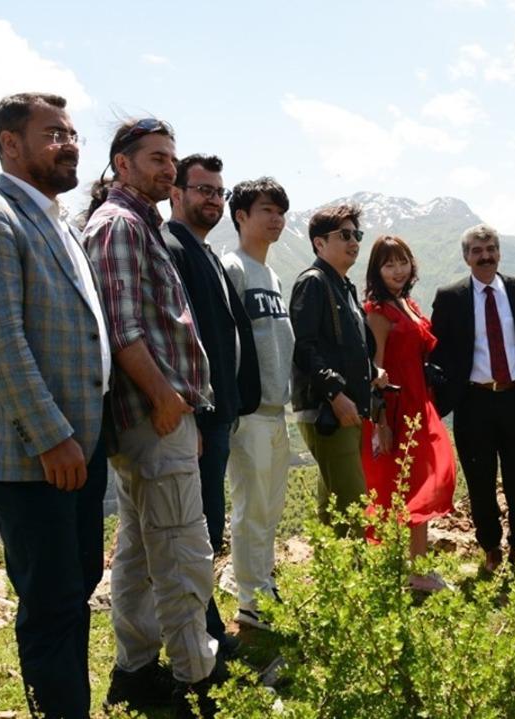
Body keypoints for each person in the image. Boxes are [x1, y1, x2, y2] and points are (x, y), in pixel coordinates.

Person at [0, 92, 110, 719]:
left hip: (82, 445)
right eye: (52, 134)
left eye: (72, 134)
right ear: (9, 144)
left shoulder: (61, 222)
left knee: (76, 589)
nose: (69, 144)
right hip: (33, 451)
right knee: (49, 601)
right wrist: (49, 436)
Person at [84, 118, 224, 716]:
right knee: (183, 548)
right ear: (122, 164)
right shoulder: (119, 226)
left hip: (158, 417)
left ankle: (134, 672)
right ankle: (200, 676)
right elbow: (123, 328)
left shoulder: (140, 224)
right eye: (156, 158)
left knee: (142, 552)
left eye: (172, 158)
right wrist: (169, 401)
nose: (168, 168)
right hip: (154, 414)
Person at [164, 154, 260, 654]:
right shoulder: (172, 246)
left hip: (220, 413)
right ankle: (202, 635)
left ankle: (204, 626)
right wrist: (196, 415)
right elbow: (178, 339)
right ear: (175, 193)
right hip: (200, 417)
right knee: (196, 526)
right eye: (202, 189)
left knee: (208, 521)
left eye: (218, 192)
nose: (213, 199)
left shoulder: (203, 251)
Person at [431, 224, 515, 573]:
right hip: (473, 402)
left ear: (499, 252)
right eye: (477, 251)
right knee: (480, 479)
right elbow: (437, 352)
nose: (486, 255)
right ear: (466, 257)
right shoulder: (451, 297)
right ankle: (490, 547)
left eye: (490, 248)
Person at [361, 235, 457, 591]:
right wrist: (381, 423)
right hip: (397, 410)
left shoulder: (407, 304)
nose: (397, 270)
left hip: (421, 404)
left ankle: (418, 568)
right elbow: (377, 370)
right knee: (390, 489)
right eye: (389, 264)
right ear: (377, 270)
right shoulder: (378, 313)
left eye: (402, 261)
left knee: (424, 483)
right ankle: (395, 570)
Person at [222, 178, 295, 628]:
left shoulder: (271, 275)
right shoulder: (233, 268)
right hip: (247, 412)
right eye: (266, 209)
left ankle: (263, 585)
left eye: (280, 211)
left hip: (275, 409)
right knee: (250, 506)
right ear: (241, 216)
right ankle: (249, 601)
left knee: (270, 506)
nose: (275, 219)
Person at [290, 203, 385, 537]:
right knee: (353, 510)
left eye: (356, 234)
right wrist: (335, 393)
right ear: (319, 243)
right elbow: (304, 346)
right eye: (344, 235)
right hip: (327, 412)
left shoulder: (343, 286)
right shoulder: (314, 283)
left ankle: (329, 579)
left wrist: (373, 370)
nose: (354, 241)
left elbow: (345, 346)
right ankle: (359, 585)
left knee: (331, 506)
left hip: (345, 409)